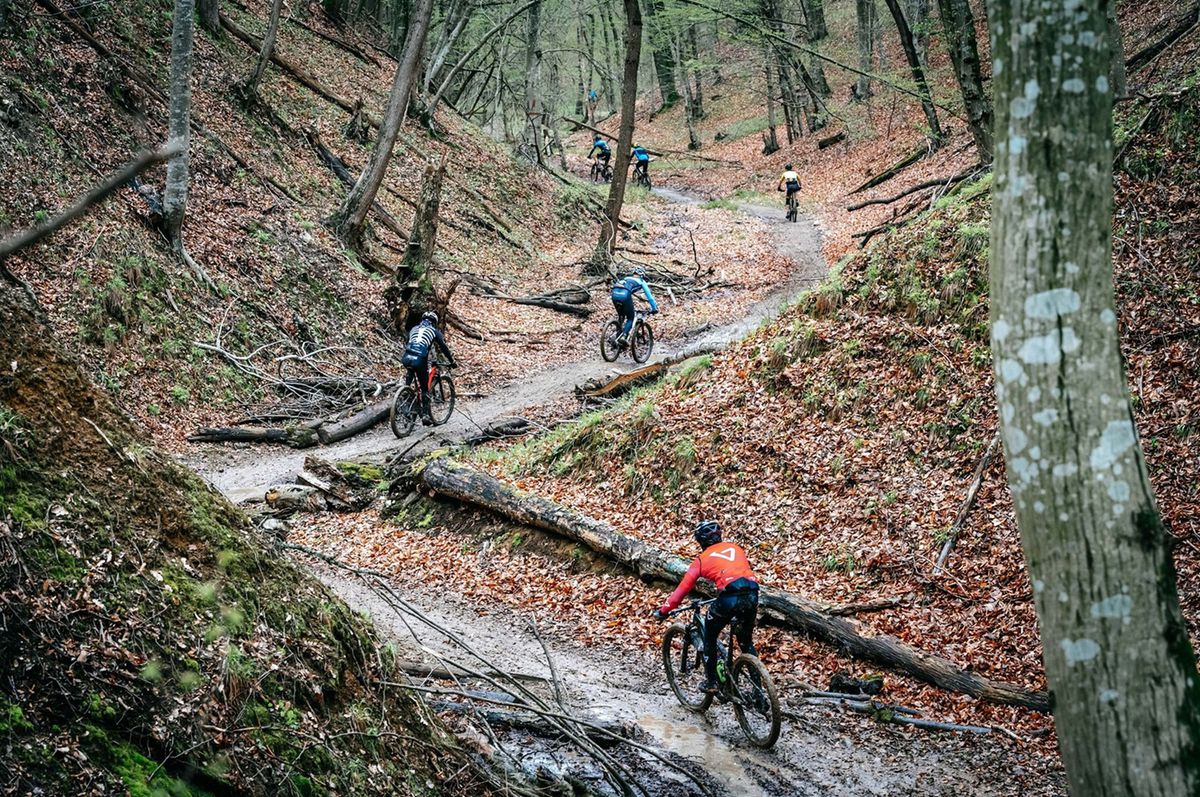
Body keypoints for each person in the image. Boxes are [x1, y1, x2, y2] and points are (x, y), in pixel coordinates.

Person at [654, 521, 760, 693]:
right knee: (746, 642)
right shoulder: (736, 548)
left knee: (709, 637)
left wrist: (663, 611)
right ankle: (759, 692)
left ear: (701, 541)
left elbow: (681, 590)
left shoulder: (701, 561)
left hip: (728, 598)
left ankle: (711, 683)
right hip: (752, 594)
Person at [400, 311, 456, 424]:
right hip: (419, 360)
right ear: (434, 322)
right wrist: (452, 361)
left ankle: (405, 396)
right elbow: (444, 347)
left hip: (406, 358)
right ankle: (425, 415)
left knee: (409, 379)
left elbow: (408, 343)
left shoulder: (414, 328)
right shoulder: (434, 331)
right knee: (425, 388)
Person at [609, 266, 658, 345]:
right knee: (630, 317)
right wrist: (654, 308)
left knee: (621, 315)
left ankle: (616, 336)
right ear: (642, 275)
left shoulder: (626, 278)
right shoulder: (641, 281)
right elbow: (650, 297)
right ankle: (623, 336)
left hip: (614, 295)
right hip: (625, 296)